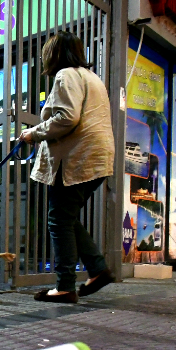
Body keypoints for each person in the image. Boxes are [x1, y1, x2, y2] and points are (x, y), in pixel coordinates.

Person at [19, 31, 116, 304]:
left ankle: (64, 286)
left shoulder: (66, 76)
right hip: (96, 157)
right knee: (67, 217)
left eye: (46, 51)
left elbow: (67, 117)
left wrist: (33, 134)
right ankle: (97, 269)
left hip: (77, 158)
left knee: (58, 220)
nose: (43, 57)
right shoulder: (92, 77)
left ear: (54, 53)